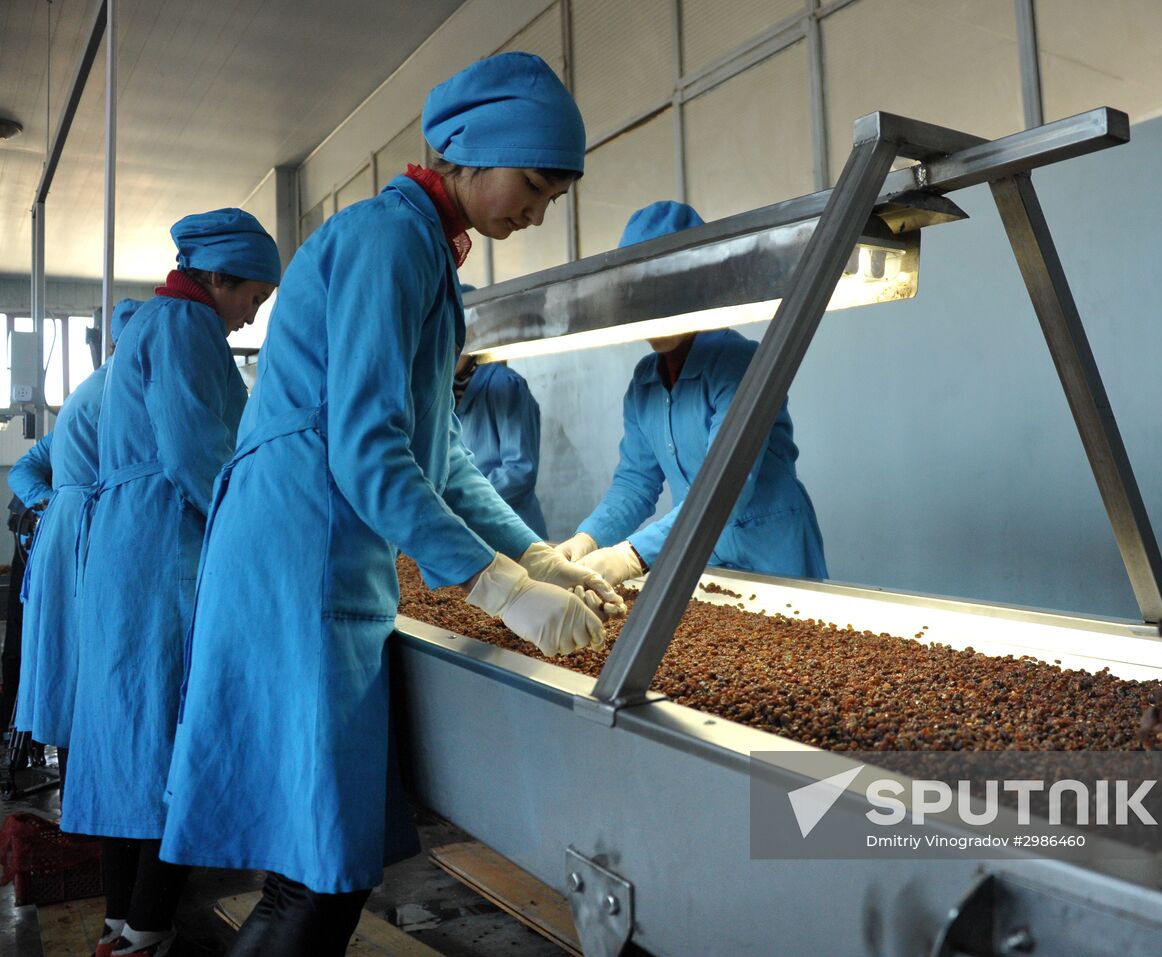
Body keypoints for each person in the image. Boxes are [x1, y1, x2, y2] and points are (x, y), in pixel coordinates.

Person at [159, 52, 619, 956]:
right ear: (472, 155)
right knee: (317, 874)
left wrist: (535, 557)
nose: (535, 211)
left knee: (325, 866)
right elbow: (368, 451)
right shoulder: (389, 241)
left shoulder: (427, 256)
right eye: (531, 186)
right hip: (302, 550)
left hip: (319, 547)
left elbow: (440, 455)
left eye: (552, 198)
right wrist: (499, 592)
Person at [62, 211, 278, 957]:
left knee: (130, 737)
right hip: (163, 548)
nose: (252, 312)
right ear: (219, 278)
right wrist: (262, 526)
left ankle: (120, 923)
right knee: (170, 740)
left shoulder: (154, 325)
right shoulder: (187, 325)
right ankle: (149, 928)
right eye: (251, 296)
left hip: (129, 546)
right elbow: (198, 453)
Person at [558, 201, 828, 585]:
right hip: (702, 553)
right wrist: (589, 536)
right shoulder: (644, 383)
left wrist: (631, 556)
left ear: (701, 287)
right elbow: (636, 483)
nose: (653, 313)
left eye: (668, 294)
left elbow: (726, 486)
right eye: (640, 298)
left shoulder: (737, 363)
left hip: (774, 554)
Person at [14, 299, 140, 757]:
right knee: (94, 664)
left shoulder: (86, 392)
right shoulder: (124, 396)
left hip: (66, 530)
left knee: (69, 662)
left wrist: (50, 502)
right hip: (89, 534)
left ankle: (75, 806)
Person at [452, 287, 548, 537]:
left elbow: (520, 470)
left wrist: (464, 498)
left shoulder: (506, 384)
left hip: (512, 531)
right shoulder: (439, 393)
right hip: (468, 534)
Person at [2, 434, 52, 730]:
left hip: (39, 528)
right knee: (22, 634)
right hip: (31, 533)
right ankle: (15, 724)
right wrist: (51, 504)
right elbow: (20, 471)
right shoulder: (77, 425)